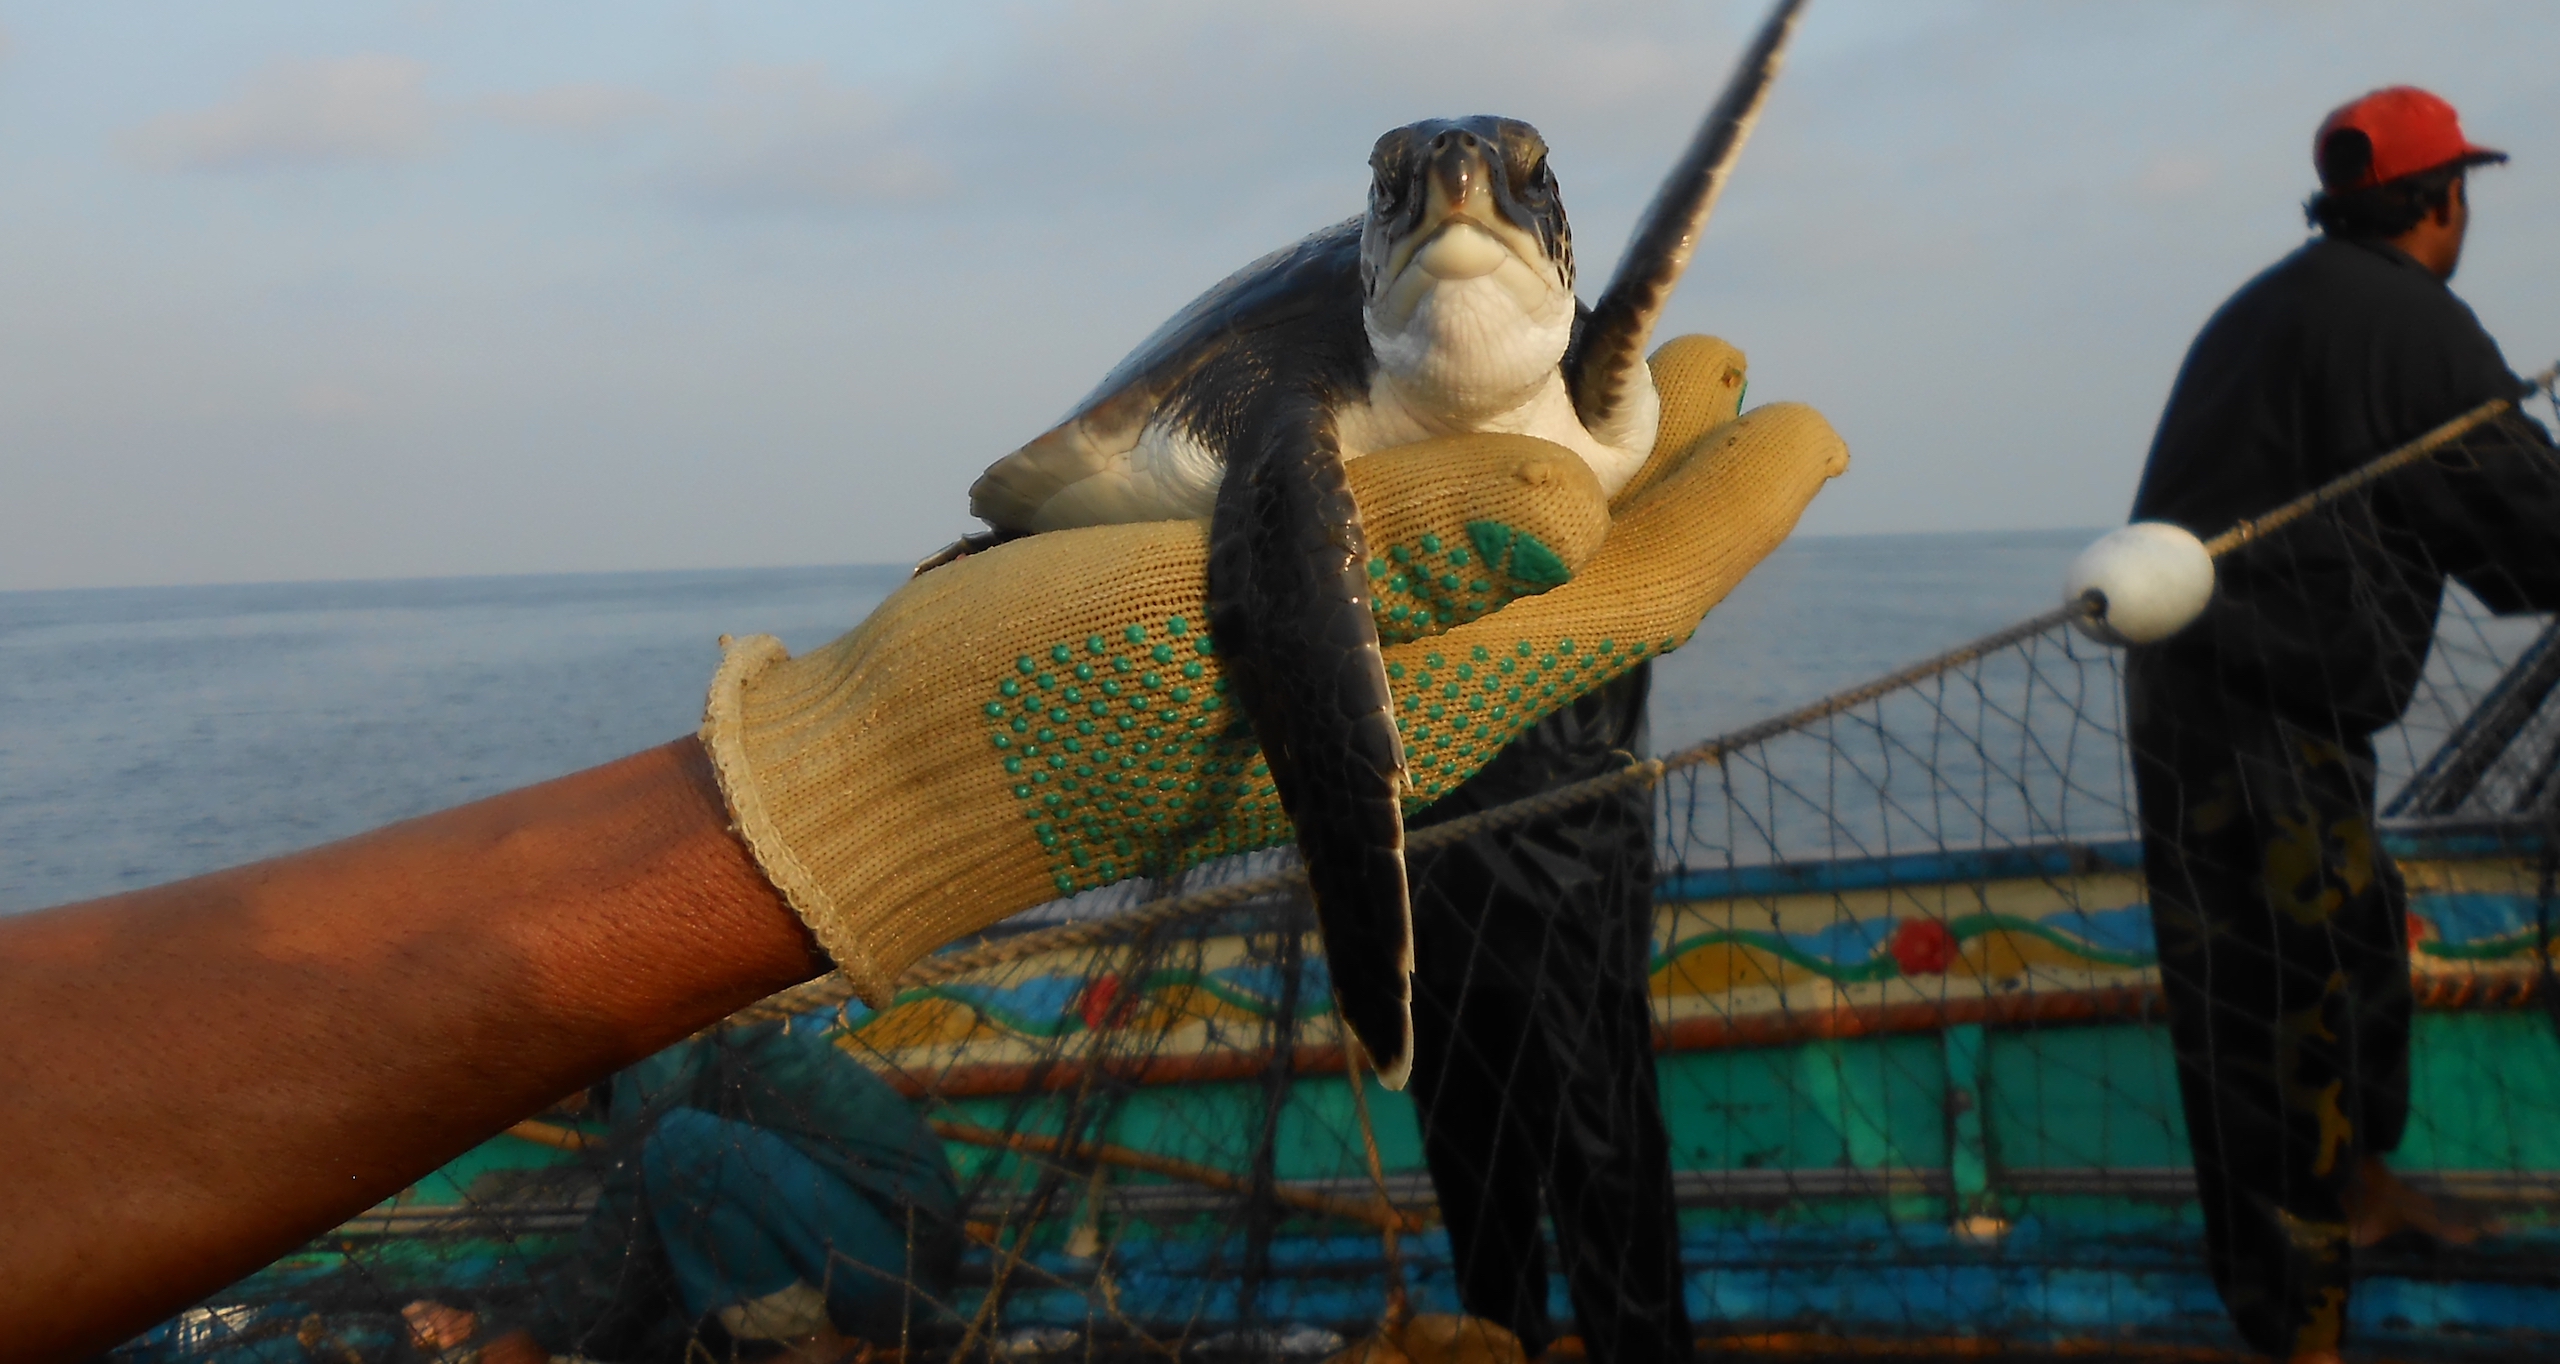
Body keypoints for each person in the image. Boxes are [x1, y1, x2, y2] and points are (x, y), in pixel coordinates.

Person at [0, 357, 1847, 1364]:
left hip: (1512, 832)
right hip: (1247, 515)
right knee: (1508, 1104)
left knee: (1556, 1112)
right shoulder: (1295, 402)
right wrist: (853, 774)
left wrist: (831, 780)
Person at [2123, 85, 2560, 1362]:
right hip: (2253, 715)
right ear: (2441, 203)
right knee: (2279, 1008)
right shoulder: (2411, 324)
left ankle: (2361, 1201)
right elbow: (2524, 526)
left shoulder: (2266, 307)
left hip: (2226, 698)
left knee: (2352, 934)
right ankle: (2294, 1326)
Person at [1406, 666, 1691, 1364]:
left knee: (1603, 1164)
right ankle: (1505, 1344)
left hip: (1570, 870)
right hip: (1430, 877)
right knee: (1477, 1173)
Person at [406, 1017, 960, 1363]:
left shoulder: (662, 1037)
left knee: (680, 1142)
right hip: (861, 1256)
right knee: (676, 1160)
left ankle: (805, 1351)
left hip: (897, 1263)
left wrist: (539, 1338)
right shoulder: (653, 1055)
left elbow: (630, 1206)